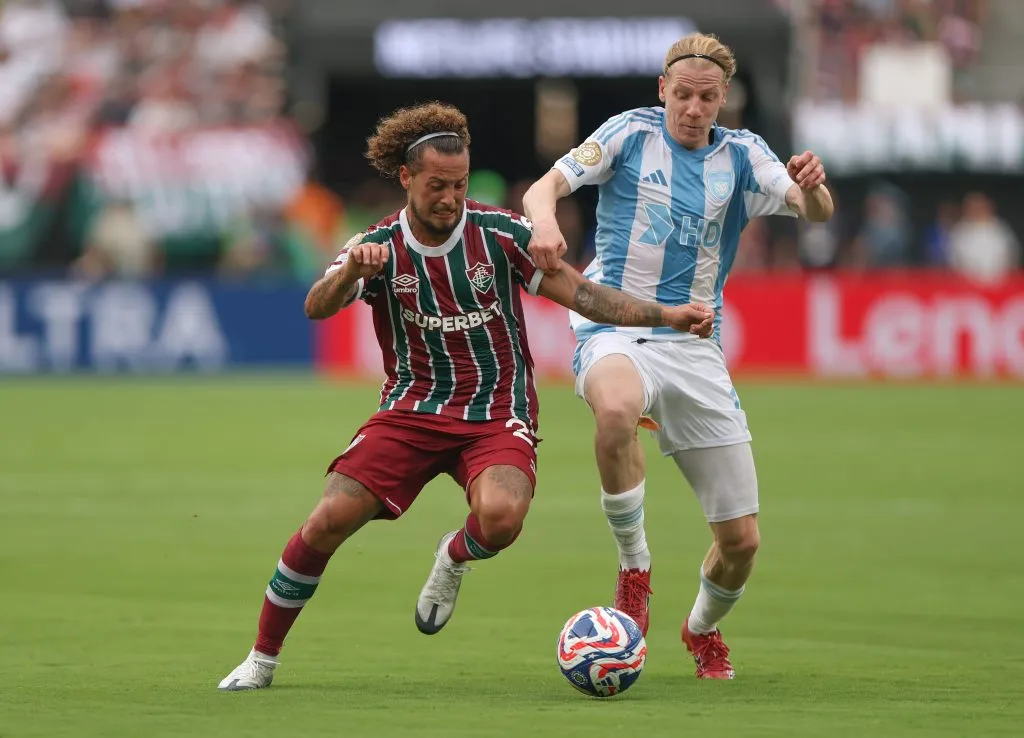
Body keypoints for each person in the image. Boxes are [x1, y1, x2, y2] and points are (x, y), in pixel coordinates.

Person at [217, 102, 716, 691]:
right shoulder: (375, 247)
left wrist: (666, 316)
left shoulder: (501, 234)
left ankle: (452, 555)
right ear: (406, 178)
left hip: (495, 412)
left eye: (458, 185)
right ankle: (262, 659)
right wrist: (352, 270)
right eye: (437, 186)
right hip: (410, 411)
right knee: (328, 519)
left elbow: (586, 296)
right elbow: (316, 306)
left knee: (500, 519)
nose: (450, 198)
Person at [522, 33, 834, 680]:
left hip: (693, 348)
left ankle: (700, 629)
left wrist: (815, 187)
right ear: (663, 90)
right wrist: (546, 222)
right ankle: (634, 568)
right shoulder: (629, 134)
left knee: (741, 544)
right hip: (615, 328)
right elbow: (541, 190)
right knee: (614, 411)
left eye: (708, 97)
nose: (694, 108)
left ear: (724, 100)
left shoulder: (744, 155)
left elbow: (814, 211)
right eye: (684, 94)